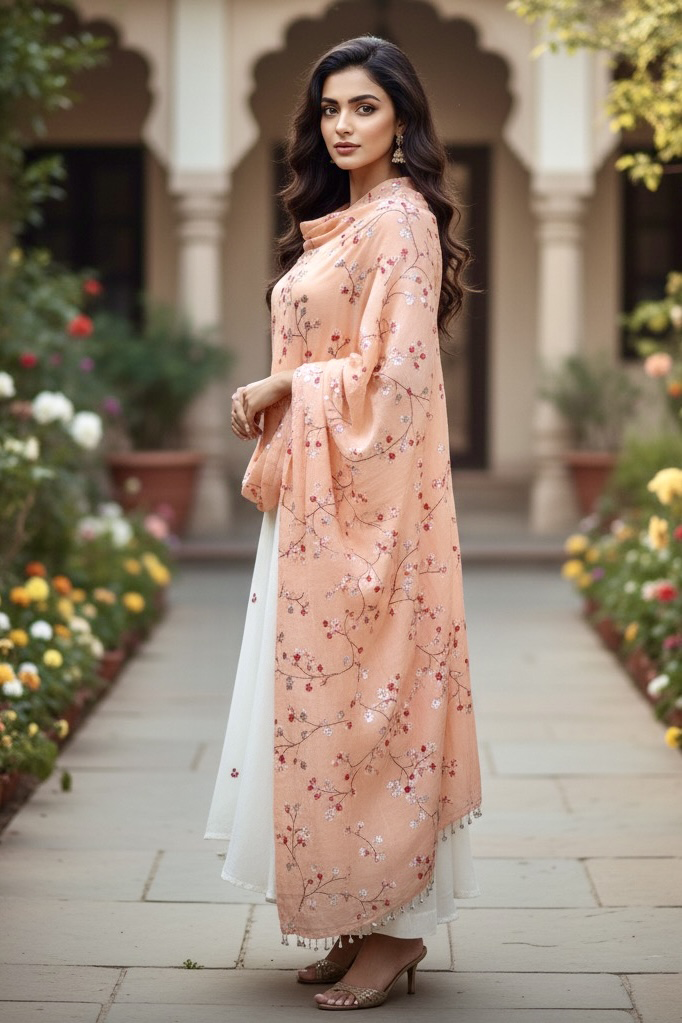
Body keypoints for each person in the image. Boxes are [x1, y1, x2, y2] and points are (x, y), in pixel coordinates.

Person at [205, 35, 483, 1011]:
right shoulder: (348, 220)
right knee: (333, 707)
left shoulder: (399, 220)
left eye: (364, 106)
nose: (342, 124)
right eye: (329, 109)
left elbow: (397, 380)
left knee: (377, 702)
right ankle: (359, 916)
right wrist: (289, 392)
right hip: (319, 500)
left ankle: (397, 931)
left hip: (373, 509)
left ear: (401, 119)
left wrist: (286, 385)